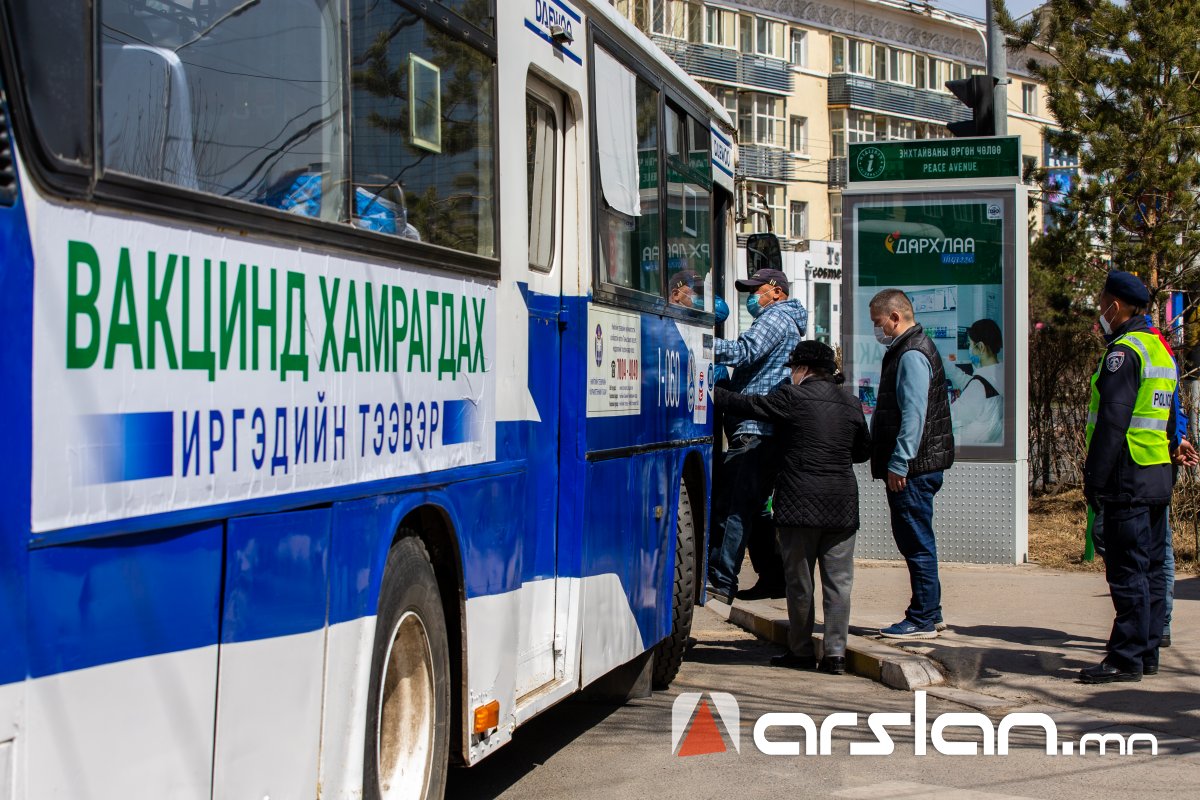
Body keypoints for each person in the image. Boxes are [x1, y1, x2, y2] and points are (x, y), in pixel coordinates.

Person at [713, 342, 871, 674]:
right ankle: (835, 655)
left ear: (803, 369)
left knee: (800, 582)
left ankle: (800, 651)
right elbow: (862, 452)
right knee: (839, 583)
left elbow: (750, 404)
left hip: (799, 504)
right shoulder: (852, 403)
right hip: (842, 505)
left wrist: (716, 388)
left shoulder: (792, 397)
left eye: (793, 369)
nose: (791, 374)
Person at [1080, 271, 1179, 684]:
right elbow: (1169, 419)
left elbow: (1112, 423)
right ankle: (1146, 650)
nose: (1100, 311)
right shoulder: (1159, 349)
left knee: (1127, 570)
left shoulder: (1124, 352)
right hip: (1157, 474)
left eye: (1102, 302)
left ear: (1115, 306)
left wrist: (1094, 481)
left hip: (1127, 476)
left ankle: (1125, 657)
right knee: (1153, 568)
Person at [705, 268, 808, 604]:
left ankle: (721, 582)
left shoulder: (775, 318)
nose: (752, 296)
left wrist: (695, 340)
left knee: (732, 505)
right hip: (764, 428)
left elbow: (743, 352)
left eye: (756, 289)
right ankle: (773, 576)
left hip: (754, 429)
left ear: (776, 291)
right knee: (754, 508)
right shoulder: (787, 320)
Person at [868, 289, 955, 639]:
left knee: (916, 542)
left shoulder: (912, 353)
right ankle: (929, 612)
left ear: (894, 317)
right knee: (918, 540)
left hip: (914, 469)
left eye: (878, 323)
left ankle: (921, 617)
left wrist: (900, 462)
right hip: (919, 465)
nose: (877, 330)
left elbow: (914, 415)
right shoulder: (909, 348)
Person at [948, 318, 1004, 445]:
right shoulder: (1001, 373)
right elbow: (973, 383)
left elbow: (952, 417)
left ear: (981, 347)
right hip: (993, 445)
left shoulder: (979, 386)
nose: (970, 349)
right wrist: (945, 365)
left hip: (970, 447)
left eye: (970, 344)